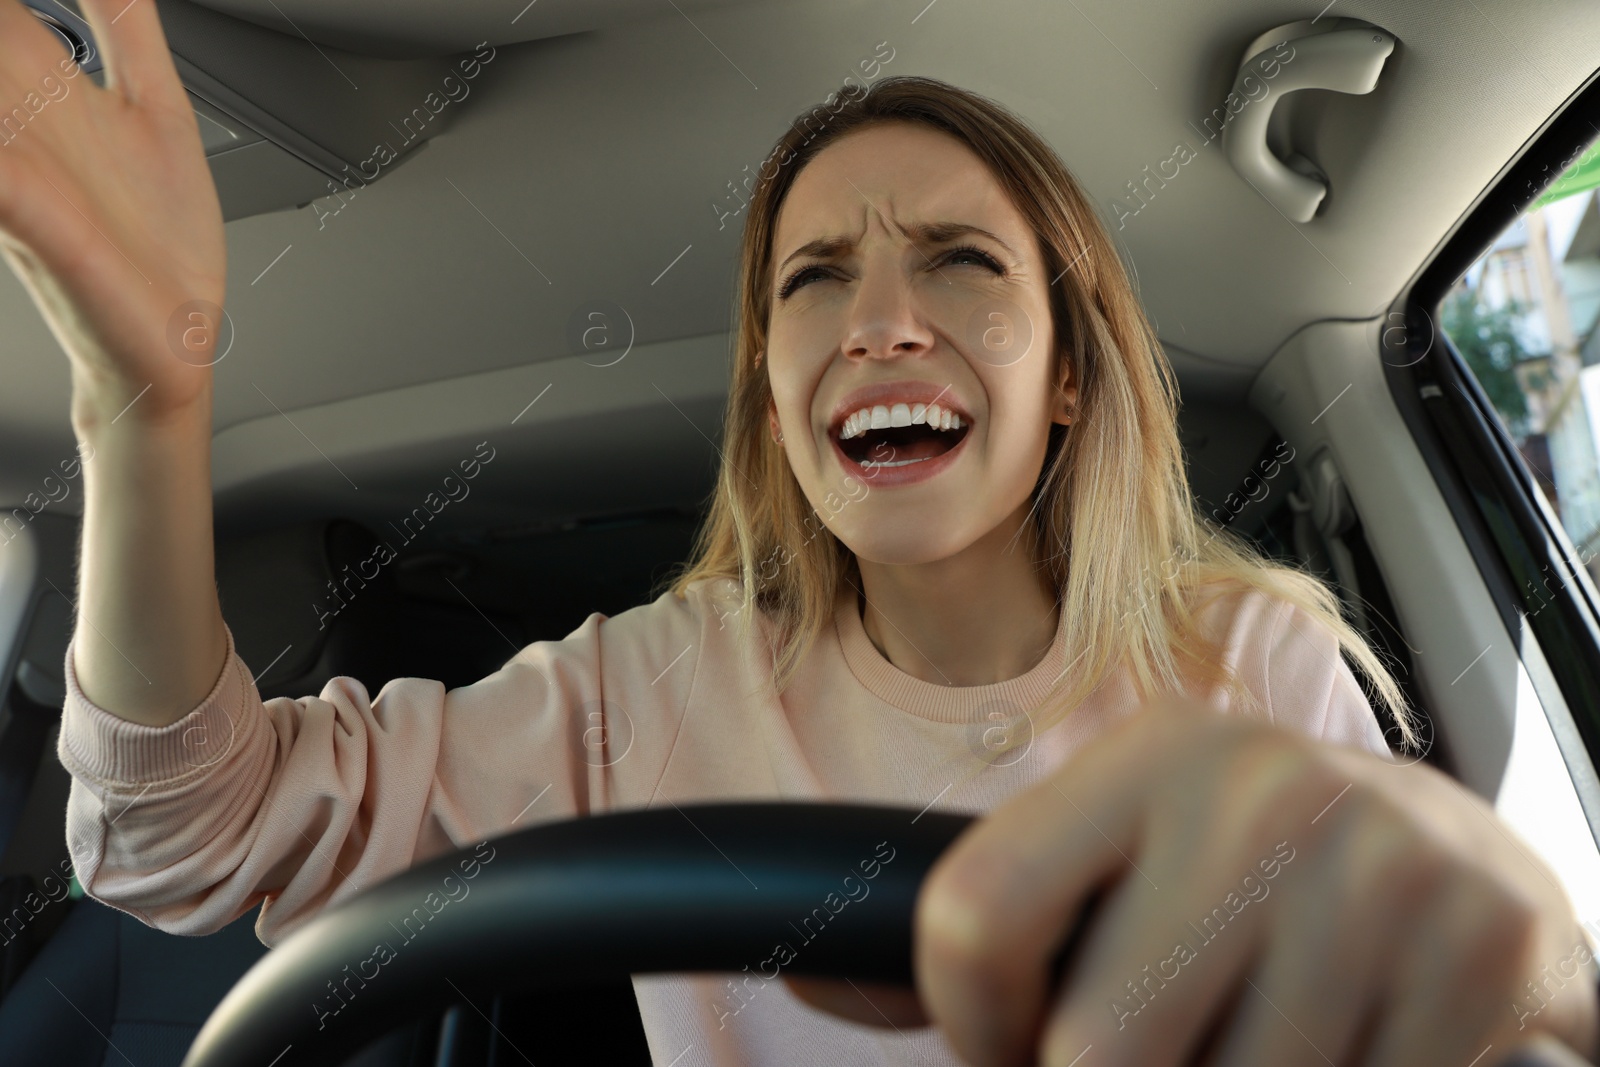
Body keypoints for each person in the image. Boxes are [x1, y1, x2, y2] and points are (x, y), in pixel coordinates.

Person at [0, 1, 1593, 1063]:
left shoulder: (1251, 662)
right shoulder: (649, 689)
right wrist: (146, 410)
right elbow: (174, 843)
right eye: (814, 279)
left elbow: (1472, 1010)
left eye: (961, 261)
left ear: (1064, 384)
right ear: (776, 404)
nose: (881, 320)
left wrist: (1528, 971)